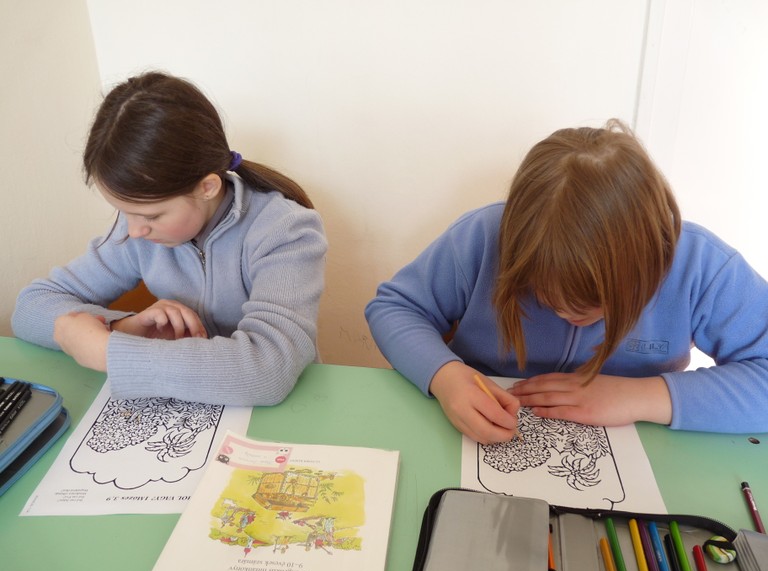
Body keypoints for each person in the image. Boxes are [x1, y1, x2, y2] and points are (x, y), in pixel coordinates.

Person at [365, 119, 768, 444]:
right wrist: (445, 376)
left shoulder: (699, 264)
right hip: (478, 432)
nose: (567, 313)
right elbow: (395, 308)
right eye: (547, 295)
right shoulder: (484, 236)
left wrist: (642, 397)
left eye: (598, 303)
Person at [12, 71, 327, 406]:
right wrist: (121, 328)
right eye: (124, 212)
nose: (134, 231)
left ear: (207, 187)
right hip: (192, 411)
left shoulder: (285, 231)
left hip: (291, 413)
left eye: (151, 216)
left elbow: (269, 370)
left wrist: (110, 353)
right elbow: (32, 306)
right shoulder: (137, 234)